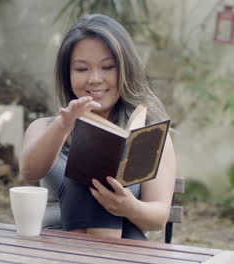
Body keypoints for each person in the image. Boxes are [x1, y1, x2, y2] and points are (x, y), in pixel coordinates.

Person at [20, 14, 176, 240]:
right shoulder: (43, 127)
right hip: (53, 245)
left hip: (122, 245)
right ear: (68, 74)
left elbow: (159, 217)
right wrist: (63, 126)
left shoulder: (147, 136)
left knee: (97, 171)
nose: (94, 79)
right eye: (82, 69)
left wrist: (128, 206)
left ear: (125, 70)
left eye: (108, 67)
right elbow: (29, 173)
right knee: (87, 165)